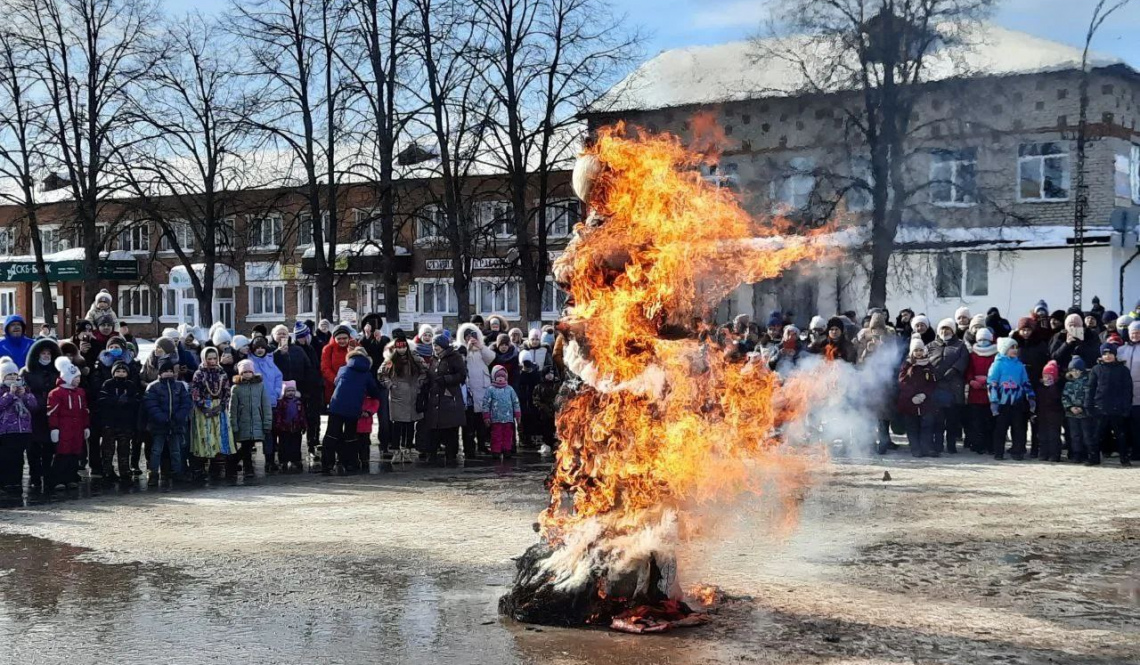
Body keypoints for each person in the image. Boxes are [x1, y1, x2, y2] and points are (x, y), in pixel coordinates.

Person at [324, 347, 382, 474]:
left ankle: (327, 464)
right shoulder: (366, 374)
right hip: (353, 408)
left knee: (331, 435)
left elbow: (336, 382)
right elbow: (374, 391)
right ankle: (350, 463)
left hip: (336, 406)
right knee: (350, 436)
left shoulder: (342, 369)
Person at [189, 346, 236, 481]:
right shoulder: (199, 374)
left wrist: (221, 406)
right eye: (209, 359)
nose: (212, 361)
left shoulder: (222, 373)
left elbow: (227, 391)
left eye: (214, 358)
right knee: (205, 435)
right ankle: (200, 467)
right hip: (204, 408)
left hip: (219, 407)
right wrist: (204, 407)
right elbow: (195, 392)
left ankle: (217, 467)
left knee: (219, 435)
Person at [143, 358, 191, 487]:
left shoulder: (180, 386)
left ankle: (177, 473)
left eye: (171, 371)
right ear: (160, 373)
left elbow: (186, 403)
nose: (168, 373)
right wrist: (162, 418)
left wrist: (178, 417)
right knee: (156, 450)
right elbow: (151, 405)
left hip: (175, 425)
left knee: (176, 450)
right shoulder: (153, 387)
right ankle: (153, 473)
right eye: (165, 371)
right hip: (159, 425)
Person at [1084, 343, 1133, 467]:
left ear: (1115, 354)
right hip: (1099, 408)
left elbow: (1127, 390)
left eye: (1110, 353)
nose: (1108, 356)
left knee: (1121, 435)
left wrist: (1126, 407)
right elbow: (1090, 388)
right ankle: (1094, 458)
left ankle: (1124, 458)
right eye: (1105, 354)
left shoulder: (1123, 370)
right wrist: (1088, 405)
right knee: (1096, 435)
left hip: (1117, 409)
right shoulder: (1096, 369)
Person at [20, 338, 60, 493]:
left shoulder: (56, 371)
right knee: (33, 447)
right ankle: (35, 474)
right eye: (43, 353)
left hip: (51, 414)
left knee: (50, 446)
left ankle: (48, 472)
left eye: (48, 353)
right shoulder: (27, 372)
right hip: (33, 414)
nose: (46, 356)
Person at [379, 333, 427, 460]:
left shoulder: (415, 359)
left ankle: (407, 450)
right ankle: (396, 451)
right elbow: (381, 374)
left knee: (410, 424)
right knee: (397, 424)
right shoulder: (390, 360)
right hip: (397, 396)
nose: (401, 349)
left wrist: (419, 383)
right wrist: (390, 385)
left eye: (403, 347)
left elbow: (424, 371)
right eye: (398, 347)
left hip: (412, 395)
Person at [422, 333, 466, 466]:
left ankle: (451, 455)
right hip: (435, 398)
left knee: (450, 429)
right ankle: (432, 454)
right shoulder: (434, 359)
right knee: (433, 428)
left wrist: (446, 379)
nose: (435, 348)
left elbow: (462, 375)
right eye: (434, 346)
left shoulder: (455, 357)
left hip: (449, 397)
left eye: (437, 345)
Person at [988, 337, 1035, 461]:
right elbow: (992, 382)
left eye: (1015, 347)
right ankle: (998, 451)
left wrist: (1031, 396)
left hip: (1017, 401)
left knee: (1018, 427)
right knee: (1001, 428)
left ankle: (1017, 451)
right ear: (1004, 350)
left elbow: (1025, 381)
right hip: (1002, 402)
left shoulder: (1019, 365)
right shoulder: (997, 364)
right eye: (1011, 348)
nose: (1015, 350)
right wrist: (994, 400)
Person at [47, 356, 89, 491]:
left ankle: (71, 477)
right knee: (62, 453)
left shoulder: (80, 392)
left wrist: (86, 426)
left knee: (75, 453)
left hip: (77, 427)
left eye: (78, 377)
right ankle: (57, 479)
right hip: (64, 427)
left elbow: (84, 411)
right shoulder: (56, 393)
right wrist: (54, 428)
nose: (78, 380)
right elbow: (52, 412)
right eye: (75, 377)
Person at [928, 318, 969, 454]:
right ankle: (938, 444)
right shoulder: (931, 346)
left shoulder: (960, 345)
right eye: (942, 329)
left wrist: (954, 370)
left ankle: (951, 445)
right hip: (937, 387)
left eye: (947, 329)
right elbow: (925, 361)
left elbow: (964, 360)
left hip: (953, 387)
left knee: (952, 420)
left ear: (953, 330)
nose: (945, 332)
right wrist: (934, 374)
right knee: (938, 420)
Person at [96, 360, 140, 483]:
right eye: (118, 371)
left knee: (124, 449)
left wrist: (127, 401)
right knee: (107, 449)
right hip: (109, 423)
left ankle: (125, 472)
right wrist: (115, 400)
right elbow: (101, 400)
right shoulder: (108, 384)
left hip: (125, 423)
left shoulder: (130, 385)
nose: (121, 373)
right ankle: (107, 471)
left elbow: (137, 401)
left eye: (123, 371)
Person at [228, 359, 272, 480]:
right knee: (246, 447)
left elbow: (266, 405)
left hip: (257, 421)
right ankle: (247, 468)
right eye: (244, 372)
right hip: (243, 423)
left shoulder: (260, 386)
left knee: (249, 446)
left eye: (249, 371)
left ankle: (233, 462)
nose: (247, 374)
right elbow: (233, 409)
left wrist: (267, 422)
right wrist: (234, 424)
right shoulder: (236, 388)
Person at [456, 323, 494, 458]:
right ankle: (469, 449)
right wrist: (467, 348)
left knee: (482, 422)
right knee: (469, 424)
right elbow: (460, 362)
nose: (470, 339)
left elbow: (491, 358)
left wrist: (480, 346)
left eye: (472, 336)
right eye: (467, 337)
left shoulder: (481, 349)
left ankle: (482, 445)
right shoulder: (460, 349)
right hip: (469, 393)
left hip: (482, 391)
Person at [0, 356, 36, 495]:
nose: (13, 378)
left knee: (19, 458)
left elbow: (33, 405)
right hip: (6, 431)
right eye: (9, 375)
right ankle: (5, 482)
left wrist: (25, 395)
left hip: (23, 430)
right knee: (6, 457)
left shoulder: (24, 389)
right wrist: (10, 394)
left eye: (15, 375)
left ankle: (16, 481)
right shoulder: (2, 391)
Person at [896, 336, 938, 458]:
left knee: (927, 425)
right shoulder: (907, 365)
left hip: (926, 402)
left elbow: (933, 382)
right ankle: (915, 448)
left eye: (920, 350)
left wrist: (924, 394)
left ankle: (926, 447)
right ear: (912, 352)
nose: (918, 353)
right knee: (912, 426)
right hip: (909, 402)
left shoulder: (928, 365)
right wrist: (912, 395)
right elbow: (902, 381)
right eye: (916, 350)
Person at [246, 337, 283, 472]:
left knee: (270, 433)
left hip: (271, 402)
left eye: (262, 348)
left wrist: (277, 392)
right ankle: (247, 462)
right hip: (255, 404)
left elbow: (278, 376)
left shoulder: (269, 361)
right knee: (252, 434)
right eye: (257, 348)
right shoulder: (249, 362)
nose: (260, 350)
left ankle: (270, 460)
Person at [290, 321, 323, 460]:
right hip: (301, 390)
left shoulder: (311, 348)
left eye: (305, 336)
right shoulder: (295, 350)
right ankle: (296, 451)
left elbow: (316, 368)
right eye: (300, 336)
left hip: (314, 389)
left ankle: (312, 445)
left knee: (314, 420)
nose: (303, 339)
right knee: (298, 421)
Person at [518, 329, 554, 449]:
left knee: (539, 411)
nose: (534, 341)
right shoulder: (524, 350)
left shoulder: (545, 350)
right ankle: (527, 437)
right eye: (532, 339)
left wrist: (544, 374)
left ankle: (540, 437)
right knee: (527, 411)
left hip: (540, 383)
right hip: (527, 383)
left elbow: (549, 365)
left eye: (537, 339)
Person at [965, 328, 997, 454]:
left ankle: (990, 445)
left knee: (990, 421)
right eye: (980, 339)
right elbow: (969, 370)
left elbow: (997, 370)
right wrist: (971, 380)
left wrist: (987, 380)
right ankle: (978, 444)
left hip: (991, 393)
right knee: (976, 421)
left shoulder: (995, 354)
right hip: (975, 392)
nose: (983, 341)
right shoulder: (972, 354)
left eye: (985, 339)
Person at [483, 365, 521, 462]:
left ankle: (507, 450)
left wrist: (517, 414)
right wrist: (486, 416)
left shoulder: (510, 389)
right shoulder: (490, 389)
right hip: (496, 419)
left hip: (508, 418)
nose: (500, 379)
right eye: (498, 377)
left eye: (502, 377)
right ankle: (496, 451)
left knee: (508, 435)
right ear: (494, 377)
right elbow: (486, 403)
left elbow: (515, 402)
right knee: (496, 435)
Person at [1062, 357, 1093, 463]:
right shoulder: (1068, 383)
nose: (1075, 373)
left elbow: (1089, 396)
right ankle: (1077, 453)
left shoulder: (1088, 382)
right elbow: (1065, 397)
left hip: (1084, 413)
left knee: (1087, 435)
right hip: (1072, 414)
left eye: (1077, 370)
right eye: (1072, 370)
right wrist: (1070, 407)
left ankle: (1089, 453)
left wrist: (1082, 407)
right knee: (1075, 435)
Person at [273, 380, 306, 474]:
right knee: (284, 445)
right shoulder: (281, 403)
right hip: (284, 428)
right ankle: (283, 461)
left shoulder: (298, 402)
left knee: (296, 445)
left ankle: (296, 460)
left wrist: (304, 425)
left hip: (296, 427)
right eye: (288, 391)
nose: (291, 393)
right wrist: (278, 425)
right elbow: (279, 415)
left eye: (292, 390)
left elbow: (302, 415)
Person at [1118, 321, 1140, 464]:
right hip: (1124, 393)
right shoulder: (1121, 350)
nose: (1135, 335)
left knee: (1137, 424)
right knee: (1125, 425)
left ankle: (1137, 452)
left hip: (1139, 392)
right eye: (1133, 333)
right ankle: (1126, 451)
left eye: (1137, 333)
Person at [1036, 361, 1064, 462]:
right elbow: (1037, 401)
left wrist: (1052, 387)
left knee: (1054, 435)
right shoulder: (1040, 388)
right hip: (1042, 414)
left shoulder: (1057, 387)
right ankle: (1043, 453)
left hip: (1055, 414)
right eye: (1045, 375)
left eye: (1050, 376)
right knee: (1042, 435)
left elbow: (1058, 400)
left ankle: (1055, 455)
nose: (1047, 378)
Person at [321, 324, 355, 405]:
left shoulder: (355, 347)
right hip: (334, 386)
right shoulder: (328, 349)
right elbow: (325, 368)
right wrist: (335, 379)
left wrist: (352, 353)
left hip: (351, 385)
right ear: (334, 338)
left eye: (344, 338)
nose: (342, 341)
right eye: (339, 339)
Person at [356, 392, 380, 472]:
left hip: (366, 424)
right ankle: (356, 459)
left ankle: (365, 460)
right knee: (356, 443)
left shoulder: (371, 394)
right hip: (356, 422)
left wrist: (369, 412)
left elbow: (375, 403)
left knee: (365, 443)